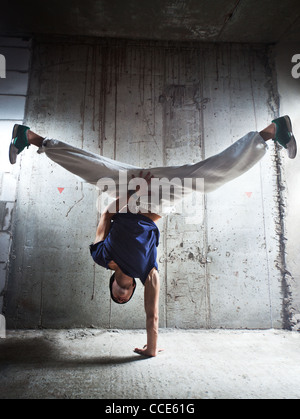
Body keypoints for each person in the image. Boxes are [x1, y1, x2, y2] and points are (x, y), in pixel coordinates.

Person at [8, 116, 297, 357]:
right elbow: (152, 316)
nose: (121, 296)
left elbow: (107, 214)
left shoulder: (101, 256)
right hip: (159, 196)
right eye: (125, 298)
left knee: (91, 169)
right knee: (208, 177)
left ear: (113, 286)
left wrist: (134, 191)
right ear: (132, 289)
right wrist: (152, 349)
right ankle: (271, 132)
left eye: (116, 297)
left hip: (128, 189)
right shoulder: (148, 273)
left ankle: (28, 136)